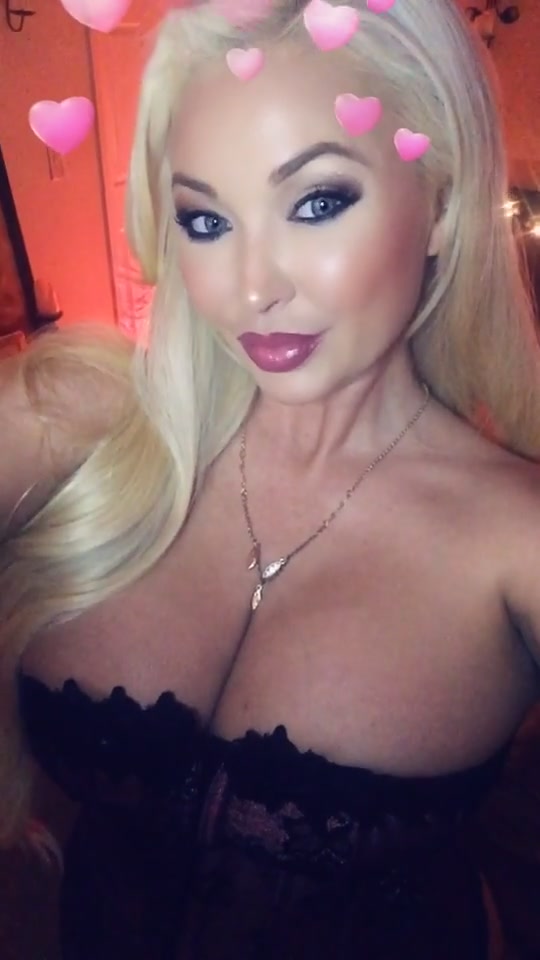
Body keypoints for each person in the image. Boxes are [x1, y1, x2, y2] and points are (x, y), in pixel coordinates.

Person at [2, 0, 540, 957]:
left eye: (318, 202)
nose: (251, 288)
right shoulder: (84, 426)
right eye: (205, 219)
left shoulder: (517, 540)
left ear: (443, 207)